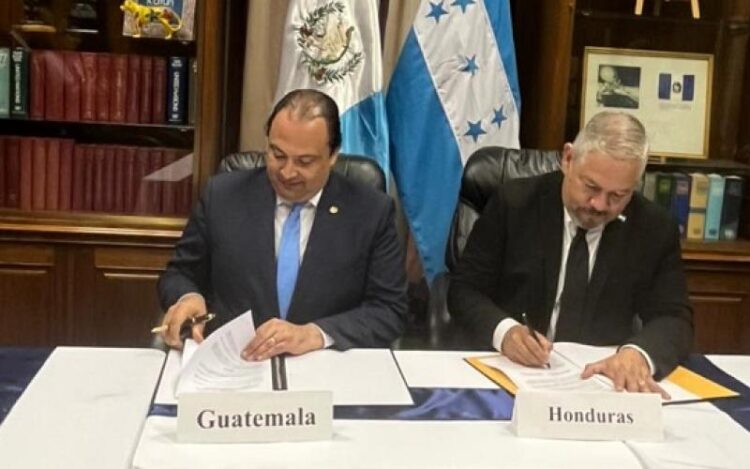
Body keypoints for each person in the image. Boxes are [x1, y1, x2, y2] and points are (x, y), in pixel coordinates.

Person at [448, 111, 693, 397]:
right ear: (568, 159)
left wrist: (638, 354)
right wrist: (505, 333)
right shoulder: (514, 203)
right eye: (591, 187)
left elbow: (674, 317)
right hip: (512, 378)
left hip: (602, 385)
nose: (599, 205)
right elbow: (464, 291)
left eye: (618, 196)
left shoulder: (653, 227)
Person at [157, 89, 407, 361]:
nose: (287, 172)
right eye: (277, 155)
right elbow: (179, 273)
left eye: (304, 162)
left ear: (333, 155)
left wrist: (315, 334)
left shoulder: (370, 211)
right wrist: (187, 297)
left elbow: (389, 310)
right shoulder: (222, 196)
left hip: (323, 366)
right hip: (236, 362)